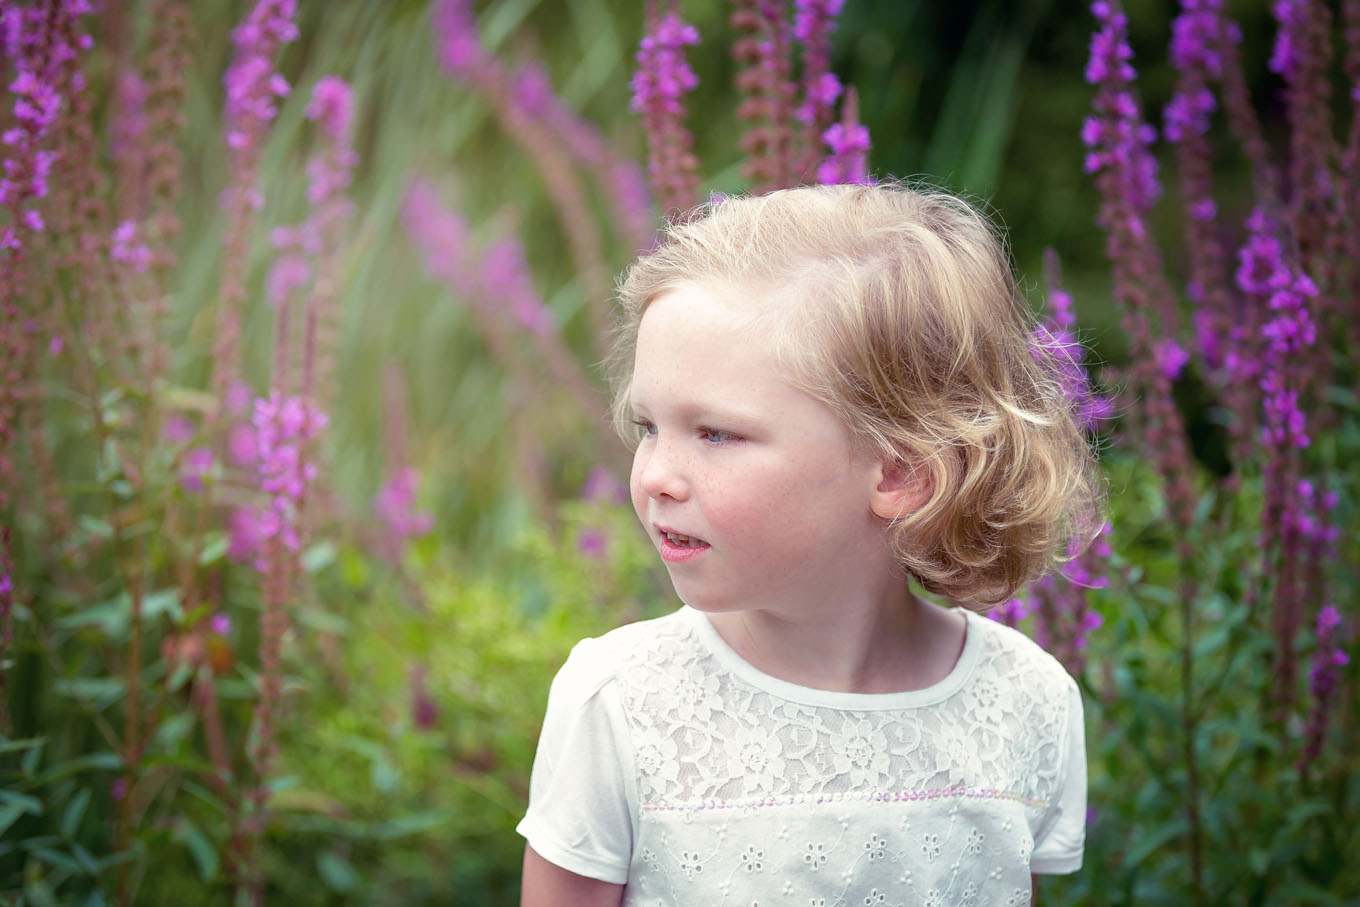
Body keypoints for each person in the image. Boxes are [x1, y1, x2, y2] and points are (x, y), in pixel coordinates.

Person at [517, 182, 1101, 906]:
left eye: (715, 433)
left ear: (900, 469)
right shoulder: (618, 703)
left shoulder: (1025, 702)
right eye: (649, 427)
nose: (657, 475)